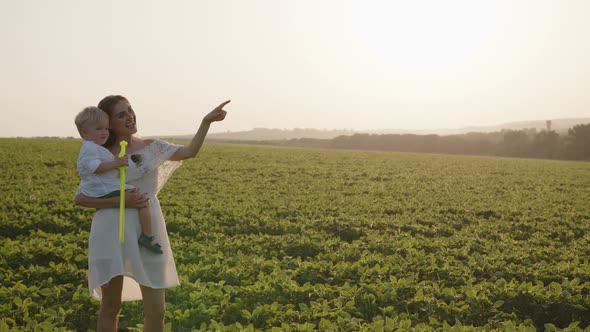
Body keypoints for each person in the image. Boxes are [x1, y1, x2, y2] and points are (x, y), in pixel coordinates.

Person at [74, 95, 229, 331]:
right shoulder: (101, 155)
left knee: (157, 310)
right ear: (109, 123)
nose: (130, 116)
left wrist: (206, 122)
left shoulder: (153, 147)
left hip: (148, 230)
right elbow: (81, 198)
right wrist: (121, 201)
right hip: (111, 230)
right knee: (111, 307)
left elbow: (189, 152)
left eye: (130, 110)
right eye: (121, 114)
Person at [74, 106, 163, 254]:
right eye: (98, 129)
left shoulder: (96, 148)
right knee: (142, 199)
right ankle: (147, 237)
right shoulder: (90, 148)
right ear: (84, 132)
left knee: (139, 198)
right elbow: (97, 167)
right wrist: (117, 163)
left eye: (106, 129)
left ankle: (146, 236)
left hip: (103, 186)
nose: (104, 133)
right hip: (102, 188)